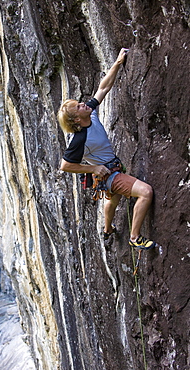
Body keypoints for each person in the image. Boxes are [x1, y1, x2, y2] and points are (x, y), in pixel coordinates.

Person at [57, 48, 156, 250]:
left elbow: (103, 88)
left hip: (110, 172)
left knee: (112, 200)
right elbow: (65, 165)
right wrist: (93, 169)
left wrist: (118, 63)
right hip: (109, 175)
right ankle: (135, 237)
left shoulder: (90, 115)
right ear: (76, 119)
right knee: (146, 192)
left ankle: (107, 228)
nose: (84, 104)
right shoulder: (79, 139)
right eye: (79, 106)